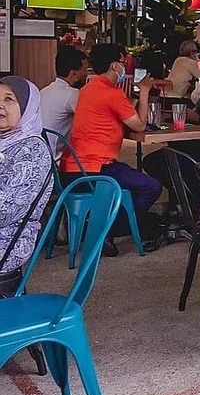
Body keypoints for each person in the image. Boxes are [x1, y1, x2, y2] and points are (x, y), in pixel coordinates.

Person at [62, 44, 162, 252]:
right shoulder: (111, 93)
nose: (124, 67)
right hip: (97, 168)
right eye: (123, 63)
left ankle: (101, 223)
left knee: (128, 175)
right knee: (151, 187)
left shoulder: (88, 89)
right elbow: (139, 125)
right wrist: (144, 90)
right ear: (115, 65)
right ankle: (106, 228)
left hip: (73, 167)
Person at [0, 76, 55, 275]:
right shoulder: (6, 141)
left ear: (27, 107)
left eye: (8, 99)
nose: (0, 106)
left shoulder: (31, 151)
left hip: (7, 243)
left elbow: (5, 211)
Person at [40, 47, 87, 161]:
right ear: (74, 73)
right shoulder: (72, 94)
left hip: (41, 151)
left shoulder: (44, 91)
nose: (87, 74)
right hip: (56, 160)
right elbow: (90, 119)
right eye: (85, 69)